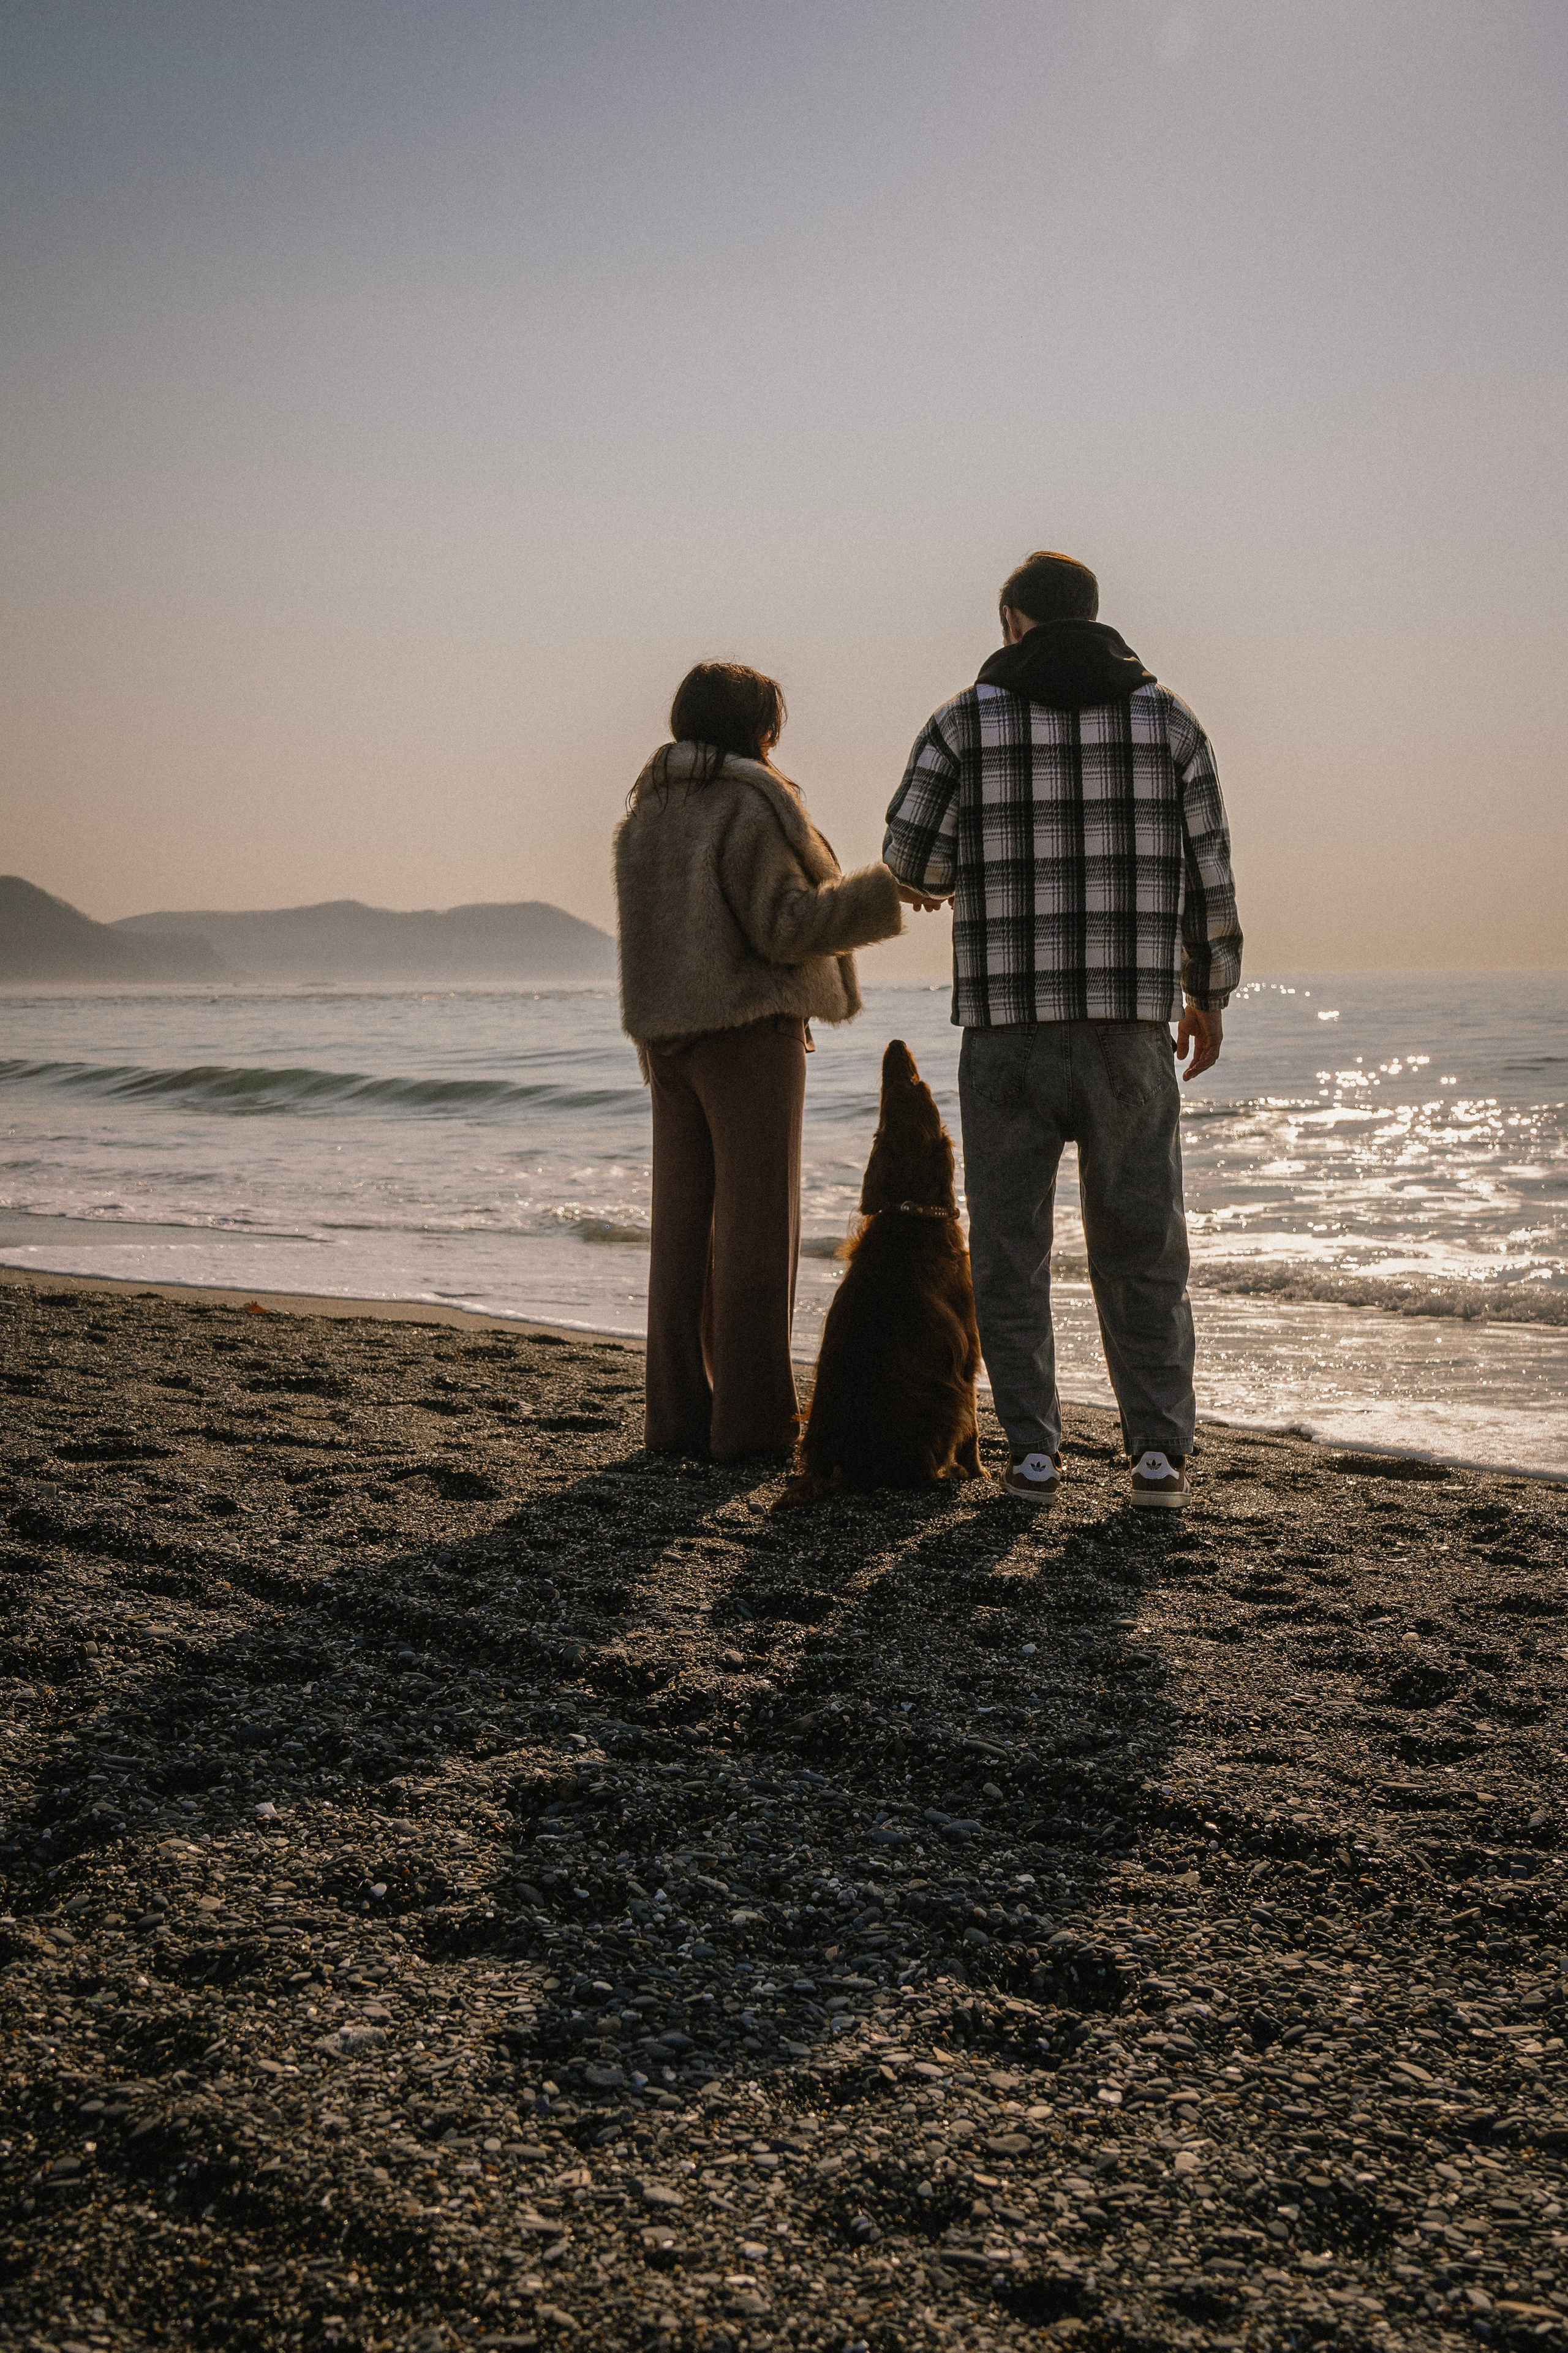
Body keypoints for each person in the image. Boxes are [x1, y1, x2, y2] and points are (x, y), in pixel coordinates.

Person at [882, 550, 1242, 1509]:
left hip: (1007, 1026)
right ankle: (1157, 1455)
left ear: (1012, 619)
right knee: (1143, 1244)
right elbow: (1210, 867)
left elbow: (908, 854)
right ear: (1095, 617)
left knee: (1011, 1248)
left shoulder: (965, 719)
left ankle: (1034, 1453)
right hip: (1130, 1025)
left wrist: (973, 861)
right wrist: (1209, 990)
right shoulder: (1169, 720)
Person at [616, 660, 903, 1462]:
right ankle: (751, 1426)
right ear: (756, 728)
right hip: (746, 1031)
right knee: (755, 1228)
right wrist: (887, 892)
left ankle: (675, 1421)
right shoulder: (747, 801)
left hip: (668, 1036)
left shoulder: (648, 809)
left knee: (681, 1232)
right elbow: (783, 925)